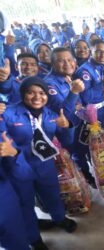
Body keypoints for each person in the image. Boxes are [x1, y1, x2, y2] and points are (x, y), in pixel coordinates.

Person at [0, 76, 77, 249]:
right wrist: (13, 153)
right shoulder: (8, 113)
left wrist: (67, 126)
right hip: (17, 166)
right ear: (22, 94)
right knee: (25, 204)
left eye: (41, 93)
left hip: (45, 164)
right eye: (30, 92)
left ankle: (59, 218)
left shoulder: (51, 115)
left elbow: (67, 141)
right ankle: (33, 238)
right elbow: (4, 139)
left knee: (52, 194)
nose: (37, 97)